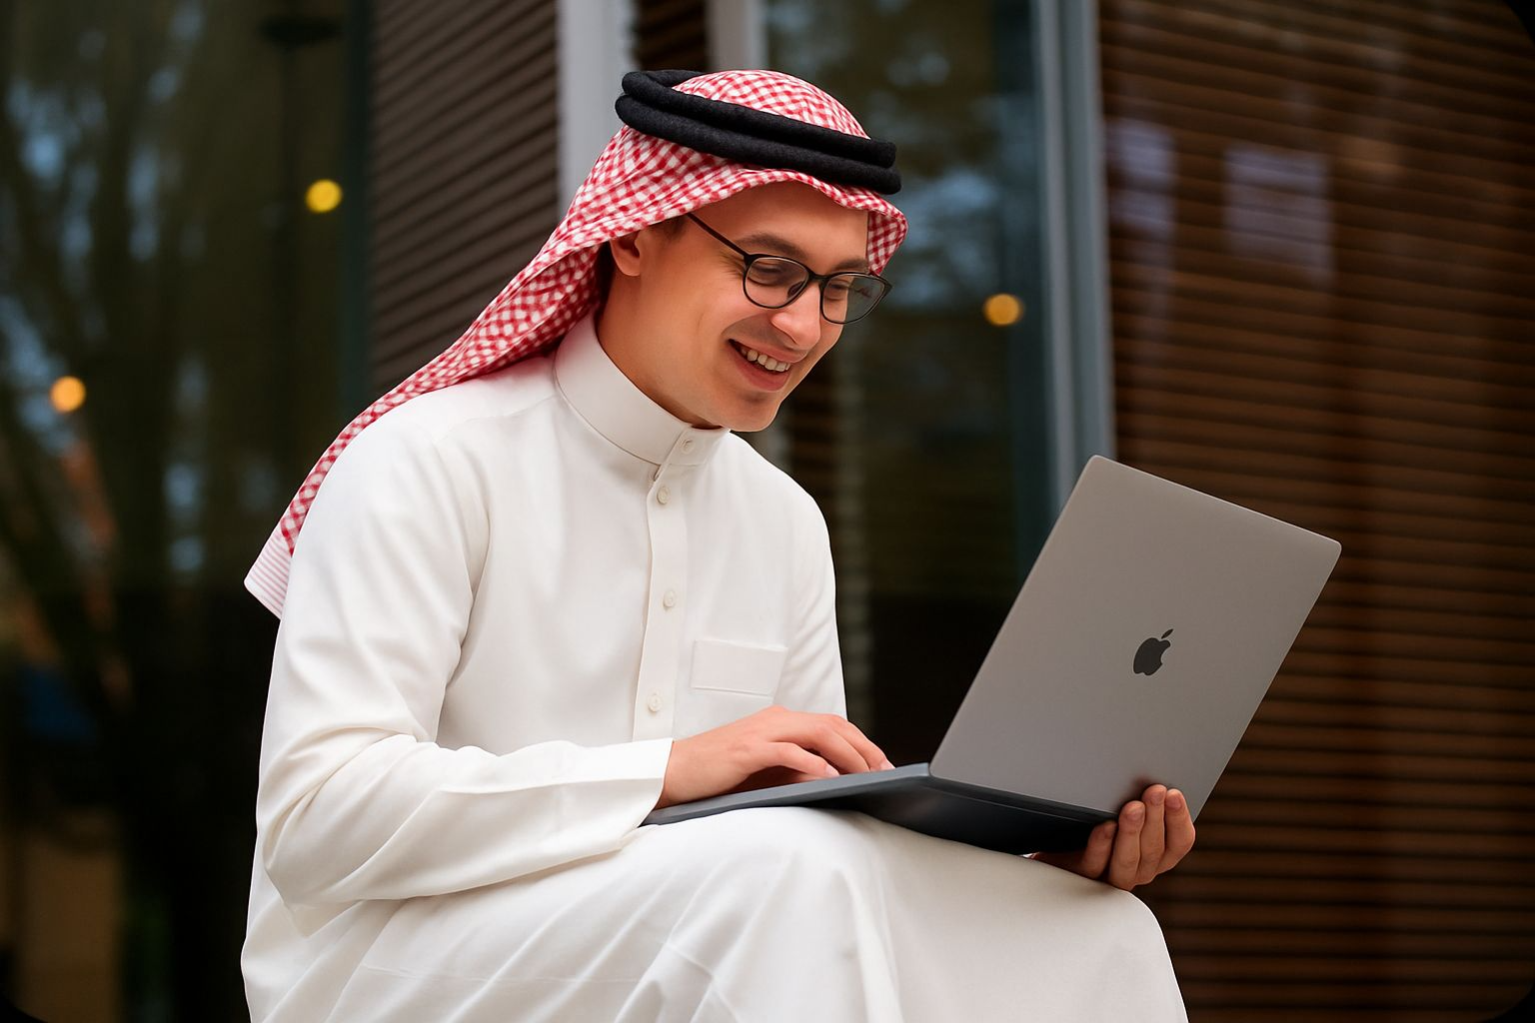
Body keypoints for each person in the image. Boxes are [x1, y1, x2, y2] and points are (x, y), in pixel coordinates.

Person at [241, 69, 1193, 1021]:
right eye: (769, 268)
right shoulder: (426, 458)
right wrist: (669, 769)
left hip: (705, 912)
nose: (803, 325)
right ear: (632, 235)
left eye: (838, 288)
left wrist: (1028, 865)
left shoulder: (784, 520)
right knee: (787, 871)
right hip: (385, 968)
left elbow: (820, 830)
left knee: (1096, 928)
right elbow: (319, 817)